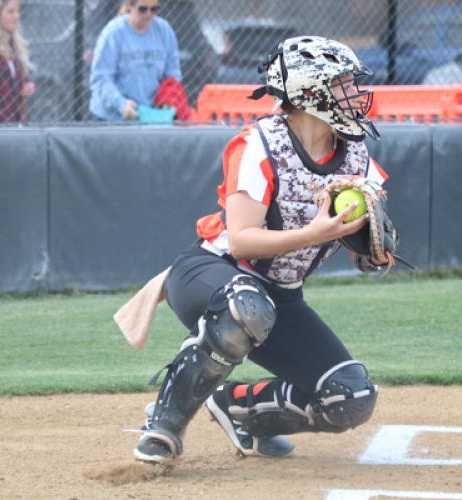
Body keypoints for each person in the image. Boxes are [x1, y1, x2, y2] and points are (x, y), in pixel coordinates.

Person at [134, 36, 389, 464]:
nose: (354, 94)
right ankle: (163, 426)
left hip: (280, 296)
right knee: (246, 305)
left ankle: (241, 410)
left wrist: (369, 250)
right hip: (210, 272)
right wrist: (315, 233)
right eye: (343, 84)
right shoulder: (261, 142)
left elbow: (366, 239)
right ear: (311, 92)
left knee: (350, 396)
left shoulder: (356, 155)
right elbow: (242, 239)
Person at [89, 0, 182, 122]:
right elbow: (100, 79)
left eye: (154, 9)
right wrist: (121, 104)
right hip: (112, 118)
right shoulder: (113, 33)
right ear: (129, 6)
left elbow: (172, 75)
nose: (149, 14)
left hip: (149, 116)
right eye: (143, 9)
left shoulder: (164, 30)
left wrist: (167, 101)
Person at [0, 0, 35, 123]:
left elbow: (16, 77)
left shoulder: (12, 45)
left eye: (18, 11)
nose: (17, 16)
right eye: (11, 12)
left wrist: (27, 84)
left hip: (15, 121)